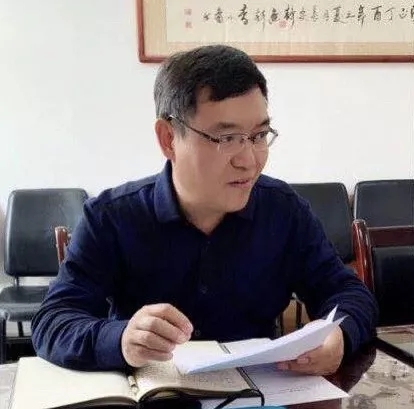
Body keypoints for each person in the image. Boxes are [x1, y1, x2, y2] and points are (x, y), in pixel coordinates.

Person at [32, 45, 377, 376]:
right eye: (226, 138)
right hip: (155, 394)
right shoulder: (111, 218)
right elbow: (53, 321)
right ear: (168, 138)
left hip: (260, 394)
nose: (249, 161)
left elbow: (348, 293)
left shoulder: (283, 211)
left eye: (258, 135)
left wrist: (339, 334)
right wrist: (121, 339)